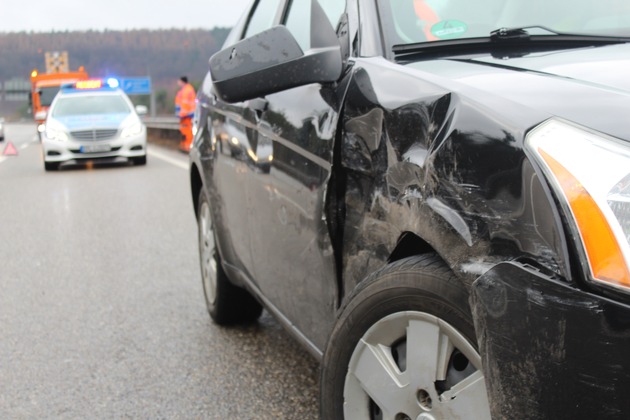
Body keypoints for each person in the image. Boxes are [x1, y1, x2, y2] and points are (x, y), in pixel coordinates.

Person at [175, 76, 196, 152]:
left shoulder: (188, 90)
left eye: (179, 81)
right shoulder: (183, 90)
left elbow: (187, 104)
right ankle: (184, 146)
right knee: (183, 131)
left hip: (187, 115)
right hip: (183, 115)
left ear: (182, 81)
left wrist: (184, 114)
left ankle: (188, 147)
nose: (178, 83)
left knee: (187, 131)